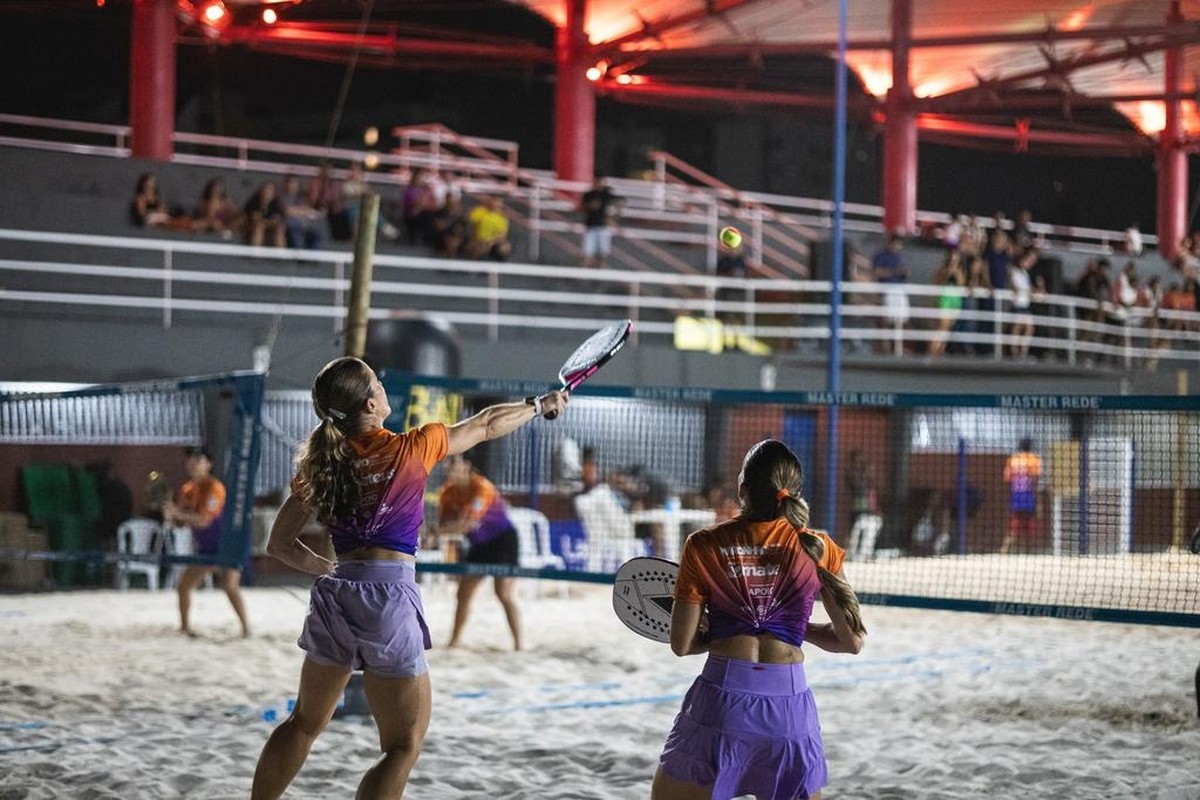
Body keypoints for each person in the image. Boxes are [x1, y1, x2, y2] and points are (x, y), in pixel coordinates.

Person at [251, 356, 567, 800]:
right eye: (377, 383)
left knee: (303, 724)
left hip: (336, 596)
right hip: (389, 598)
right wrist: (540, 404)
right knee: (402, 746)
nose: (382, 386)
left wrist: (331, 570)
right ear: (370, 402)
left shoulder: (321, 466)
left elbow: (279, 545)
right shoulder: (412, 447)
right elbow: (488, 423)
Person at [652, 439, 866, 800]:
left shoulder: (703, 544)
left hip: (722, 704)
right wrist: (799, 631)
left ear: (742, 490)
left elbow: (681, 644)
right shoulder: (817, 546)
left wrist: (720, 633)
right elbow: (852, 642)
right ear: (794, 494)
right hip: (790, 710)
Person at [162, 446, 250, 638]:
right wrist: (171, 516)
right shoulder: (187, 489)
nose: (193, 463)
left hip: (229, 543)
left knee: (229, 586)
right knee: (183, 586)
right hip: (207, 547)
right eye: (191, 459)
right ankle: (184, 628)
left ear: (209, 464)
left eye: (198, 459)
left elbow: (204, 520)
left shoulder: (215, 488)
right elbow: (181, 524)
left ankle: (246, 629)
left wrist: (178, 514)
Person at [436, 455, 523, 650]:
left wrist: (439, 531)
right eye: (446, 464)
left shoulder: (481, 487)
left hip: (503, 541)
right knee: (463, 593)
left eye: (454, 463)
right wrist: (443, 530)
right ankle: (454, 641)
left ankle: (519, 644)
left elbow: (464, 525)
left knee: (504, 594)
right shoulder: (447, 493)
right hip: (480, 544)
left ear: (466, 466)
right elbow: (444, 525)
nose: (448, 468)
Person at [999, 438, 1042, 554]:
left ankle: (1004, 550)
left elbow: (1007, 480)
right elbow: (1035, 481)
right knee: (1031, 526)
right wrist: (1038, 502)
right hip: (1028, 496)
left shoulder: (1013, 460)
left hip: (1016, 497)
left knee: (1014, 527)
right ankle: (1029, 552)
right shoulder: (1034, 460)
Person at [580, 178, 620, 268]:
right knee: (587, 252)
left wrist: (614, 217)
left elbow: (619, 202)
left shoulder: (607, 194)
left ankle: (600, 270)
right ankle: (584, 271)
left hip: (603, 227)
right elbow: (581, 207)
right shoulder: (589, 194)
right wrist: (589, 206)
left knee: (603, 252)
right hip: (590, 226)